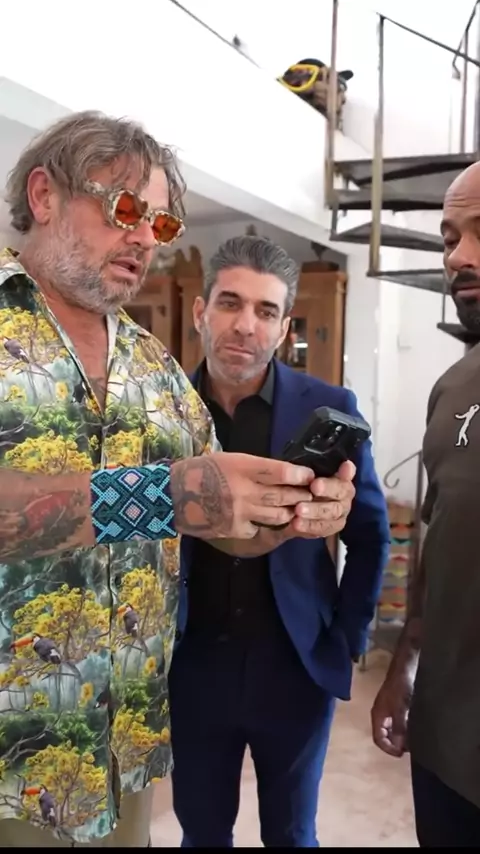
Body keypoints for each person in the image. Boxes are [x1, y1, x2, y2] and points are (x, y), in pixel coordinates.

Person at [0, 112, 356, 848]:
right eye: (125, 208)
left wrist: (287, 514)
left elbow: (216, 523)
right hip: (15, 756)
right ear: (43, 195)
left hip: (122, 749)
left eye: (160, 223)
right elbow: (176, 499)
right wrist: (160, 496)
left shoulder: (154, 366)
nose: (145, 238)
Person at [168, 235, 390, 847]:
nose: (246, 325)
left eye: (266, 310)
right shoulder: (161, 408)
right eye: (230, 303)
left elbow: (371, 535)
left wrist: (346, 639)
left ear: (285, 326)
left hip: (295, 664)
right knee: (201, 833)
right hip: (189, 666)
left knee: (292, 834)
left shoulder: (330, 407)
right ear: (201, 311)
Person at [371, 160, 480, 848]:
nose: (459, 257)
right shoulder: (454, 385)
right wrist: (404, 666)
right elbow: (434, 540)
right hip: (445, 746)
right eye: (449, 238)